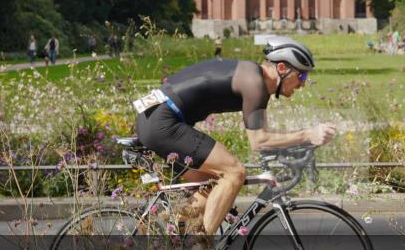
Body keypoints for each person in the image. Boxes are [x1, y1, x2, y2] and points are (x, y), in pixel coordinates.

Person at [133, 38, 335, 235]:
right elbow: (259, 141)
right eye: (301, 77)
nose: (302, 85)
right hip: (163, 121)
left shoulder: (252, 77)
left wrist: (298, 142)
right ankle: (200, 249)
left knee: (210, 185)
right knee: (235, 172)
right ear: (282, 68)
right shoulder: (254, 83)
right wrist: (308, 134)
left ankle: (173, 244)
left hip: (156, 119)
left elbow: (266, 136)